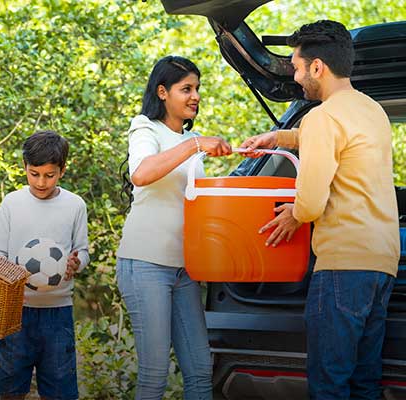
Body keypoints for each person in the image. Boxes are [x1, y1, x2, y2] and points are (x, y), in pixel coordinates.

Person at [240, 20, 400, 399]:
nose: (295, 77)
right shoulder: (371, 110)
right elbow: (335, 138)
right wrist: (280, 136)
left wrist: (292, 214)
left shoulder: (322, 118)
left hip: (342, 266)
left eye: (296, 67)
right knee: (364, 383)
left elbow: (310, 203)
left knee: (329, 384)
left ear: (317, 67)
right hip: (381, 265)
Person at [116, 55, 232, 400]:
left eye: (197, 88)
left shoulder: (190, 141)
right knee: (155, 375)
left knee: (199, 370)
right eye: (186, 89)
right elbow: (142, 174)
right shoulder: (145, 128)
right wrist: (194, 145)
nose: (195, 95)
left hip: (185, 268)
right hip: (146, 264)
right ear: (163, 92)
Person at [0, 130, 90, 400]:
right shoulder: (12, 203)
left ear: (62, 170)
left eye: (49, 175)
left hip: (58, 313)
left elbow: (83, 250)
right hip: (16, 311)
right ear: (24, 167)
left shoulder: (75, 205)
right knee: (9, 388)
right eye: (34, 174)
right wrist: (9, 273)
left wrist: (76, 263)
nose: (41, 182)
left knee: (59, 390)